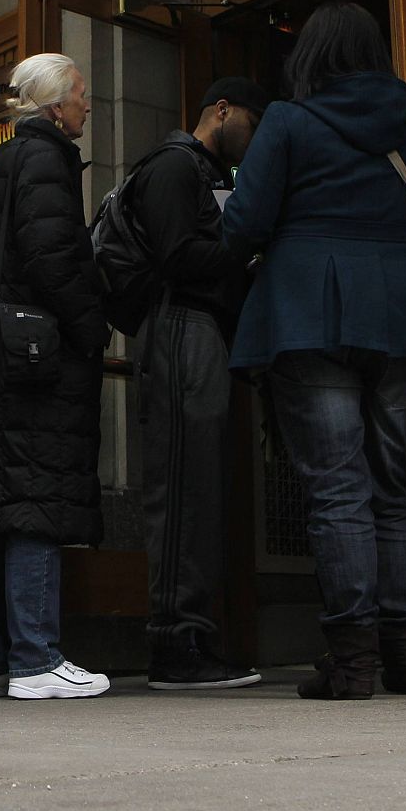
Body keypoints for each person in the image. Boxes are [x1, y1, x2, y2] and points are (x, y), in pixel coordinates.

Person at [222, 2, 406, 700]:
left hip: (311, 311)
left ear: (310, 57)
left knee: (337, 486)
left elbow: (245, 222)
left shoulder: (289, 122)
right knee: (392, 490)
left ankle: (353, 661)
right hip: (403, 316)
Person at [0, 53, 112, 700]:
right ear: (54, 104)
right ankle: (36, 660)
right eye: (80, 94)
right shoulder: (47, 158)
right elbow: (52, 256)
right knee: (34, 501)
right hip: (37, 359)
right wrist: (93, 327)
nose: (86, 105)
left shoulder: (8, 157)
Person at [129, 77, 268, 690]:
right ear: (223, 110)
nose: (254, 138)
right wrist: (247, 248)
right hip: (182, 328)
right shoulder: (173, 166)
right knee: (184, 487)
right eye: (252, 124)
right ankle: (175, 645)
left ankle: (191, 635)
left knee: (200, 486)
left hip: (200, 331)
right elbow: (178, 256)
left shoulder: (203, 172)